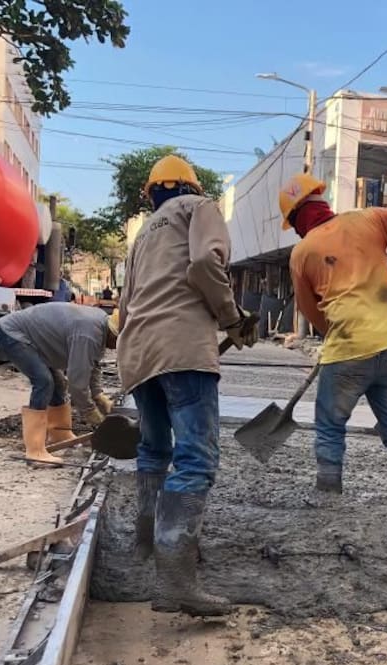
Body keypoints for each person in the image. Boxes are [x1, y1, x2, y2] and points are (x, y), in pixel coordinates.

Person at [116, 154, 256, 616]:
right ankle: (176, 578)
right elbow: (202, 264)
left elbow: (126, 301)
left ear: (152, 193)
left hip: (137, 351)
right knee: (195, 459)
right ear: (189, 186)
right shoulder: (199, 207)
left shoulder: (141, 237)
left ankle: (148, 549)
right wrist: (232, 319)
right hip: (181, 348)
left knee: (154, 451)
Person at [279, 174, 387, 506]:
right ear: (320, 202)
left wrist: (337, 335)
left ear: (297, 218)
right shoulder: (370, 219)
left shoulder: (302, 252)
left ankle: (328, 500)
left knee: (330, 426)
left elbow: (312, 312)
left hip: (347, 350)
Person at [0, 302, 117, 466]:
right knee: (43, 381)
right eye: (119, 343)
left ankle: (60, 434)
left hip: (34, 338)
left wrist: (98, 395)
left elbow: (92, 363)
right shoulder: (88, 334)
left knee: (58, 383)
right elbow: (77, 383)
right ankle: (35, 450)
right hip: (13, 334)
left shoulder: (100, 326)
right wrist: (90, 412)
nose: (117, 348)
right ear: (114, 335)